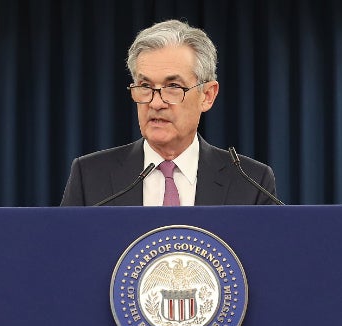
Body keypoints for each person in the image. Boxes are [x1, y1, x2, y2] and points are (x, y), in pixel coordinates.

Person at [60, 19, 278, 207]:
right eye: (145, 86)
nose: (156, 103)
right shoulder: (90, 176)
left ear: (207, 95)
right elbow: (66, 252)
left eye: (173, 87)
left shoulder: (251, 182)